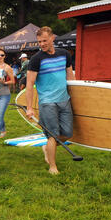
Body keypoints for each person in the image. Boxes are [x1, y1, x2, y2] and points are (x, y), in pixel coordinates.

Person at [26, 26, 75, 175]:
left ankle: (47, 147)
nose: (42, 44)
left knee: (67, 133)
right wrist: (29, 107)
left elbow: (70, 77)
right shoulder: (36, 59)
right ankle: (52, 166)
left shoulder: (64, 54)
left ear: (52, 38)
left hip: (64, 100)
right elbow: (29, 84)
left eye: (45, 40)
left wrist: (77, 95)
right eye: (39, 41)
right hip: (47, 102)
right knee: (53, 134)